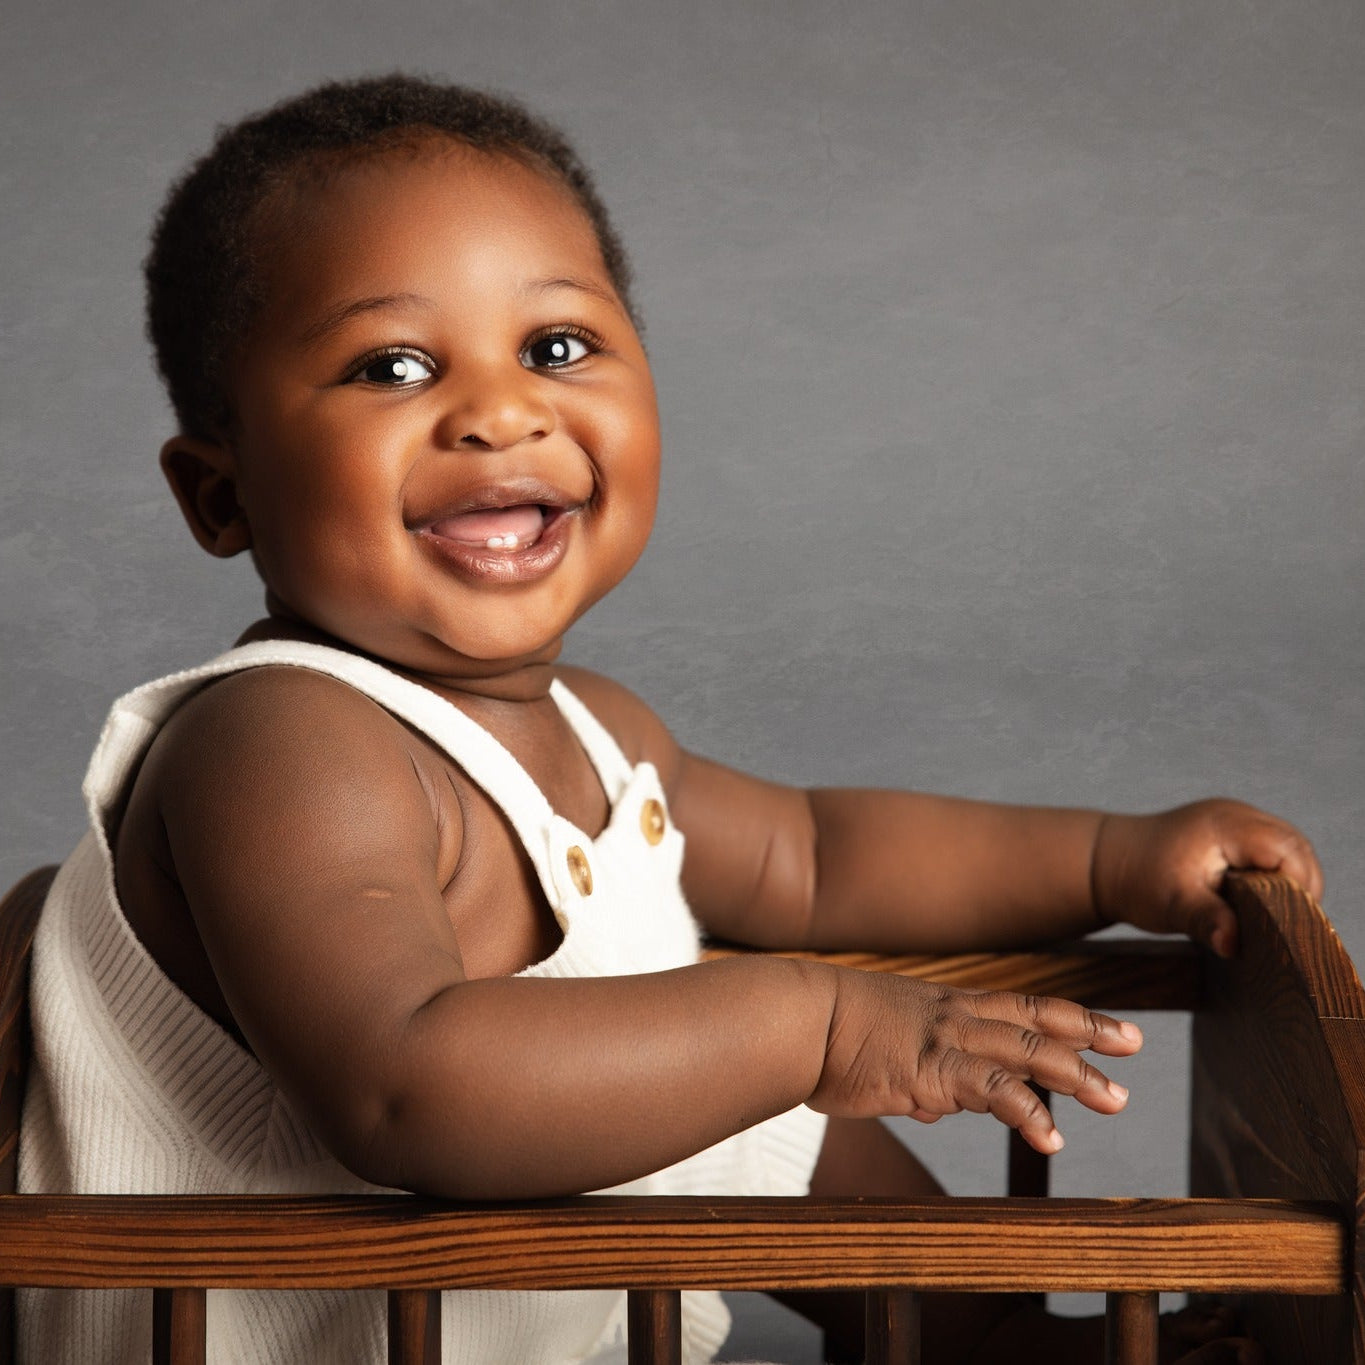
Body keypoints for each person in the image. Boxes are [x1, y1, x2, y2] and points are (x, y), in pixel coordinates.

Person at [17, 75, 1319, 1365]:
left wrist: (1115, 860)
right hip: (279, 1330)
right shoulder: (279, 745)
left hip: (480, 1302)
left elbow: (816, 858)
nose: (500, 410)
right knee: (741, 1032)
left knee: (728, 1074)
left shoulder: (596, 729)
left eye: (557, 346)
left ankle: (983, 1333)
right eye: (393, 366)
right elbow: (403, 1081)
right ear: (220, 495)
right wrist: (817, 1027)